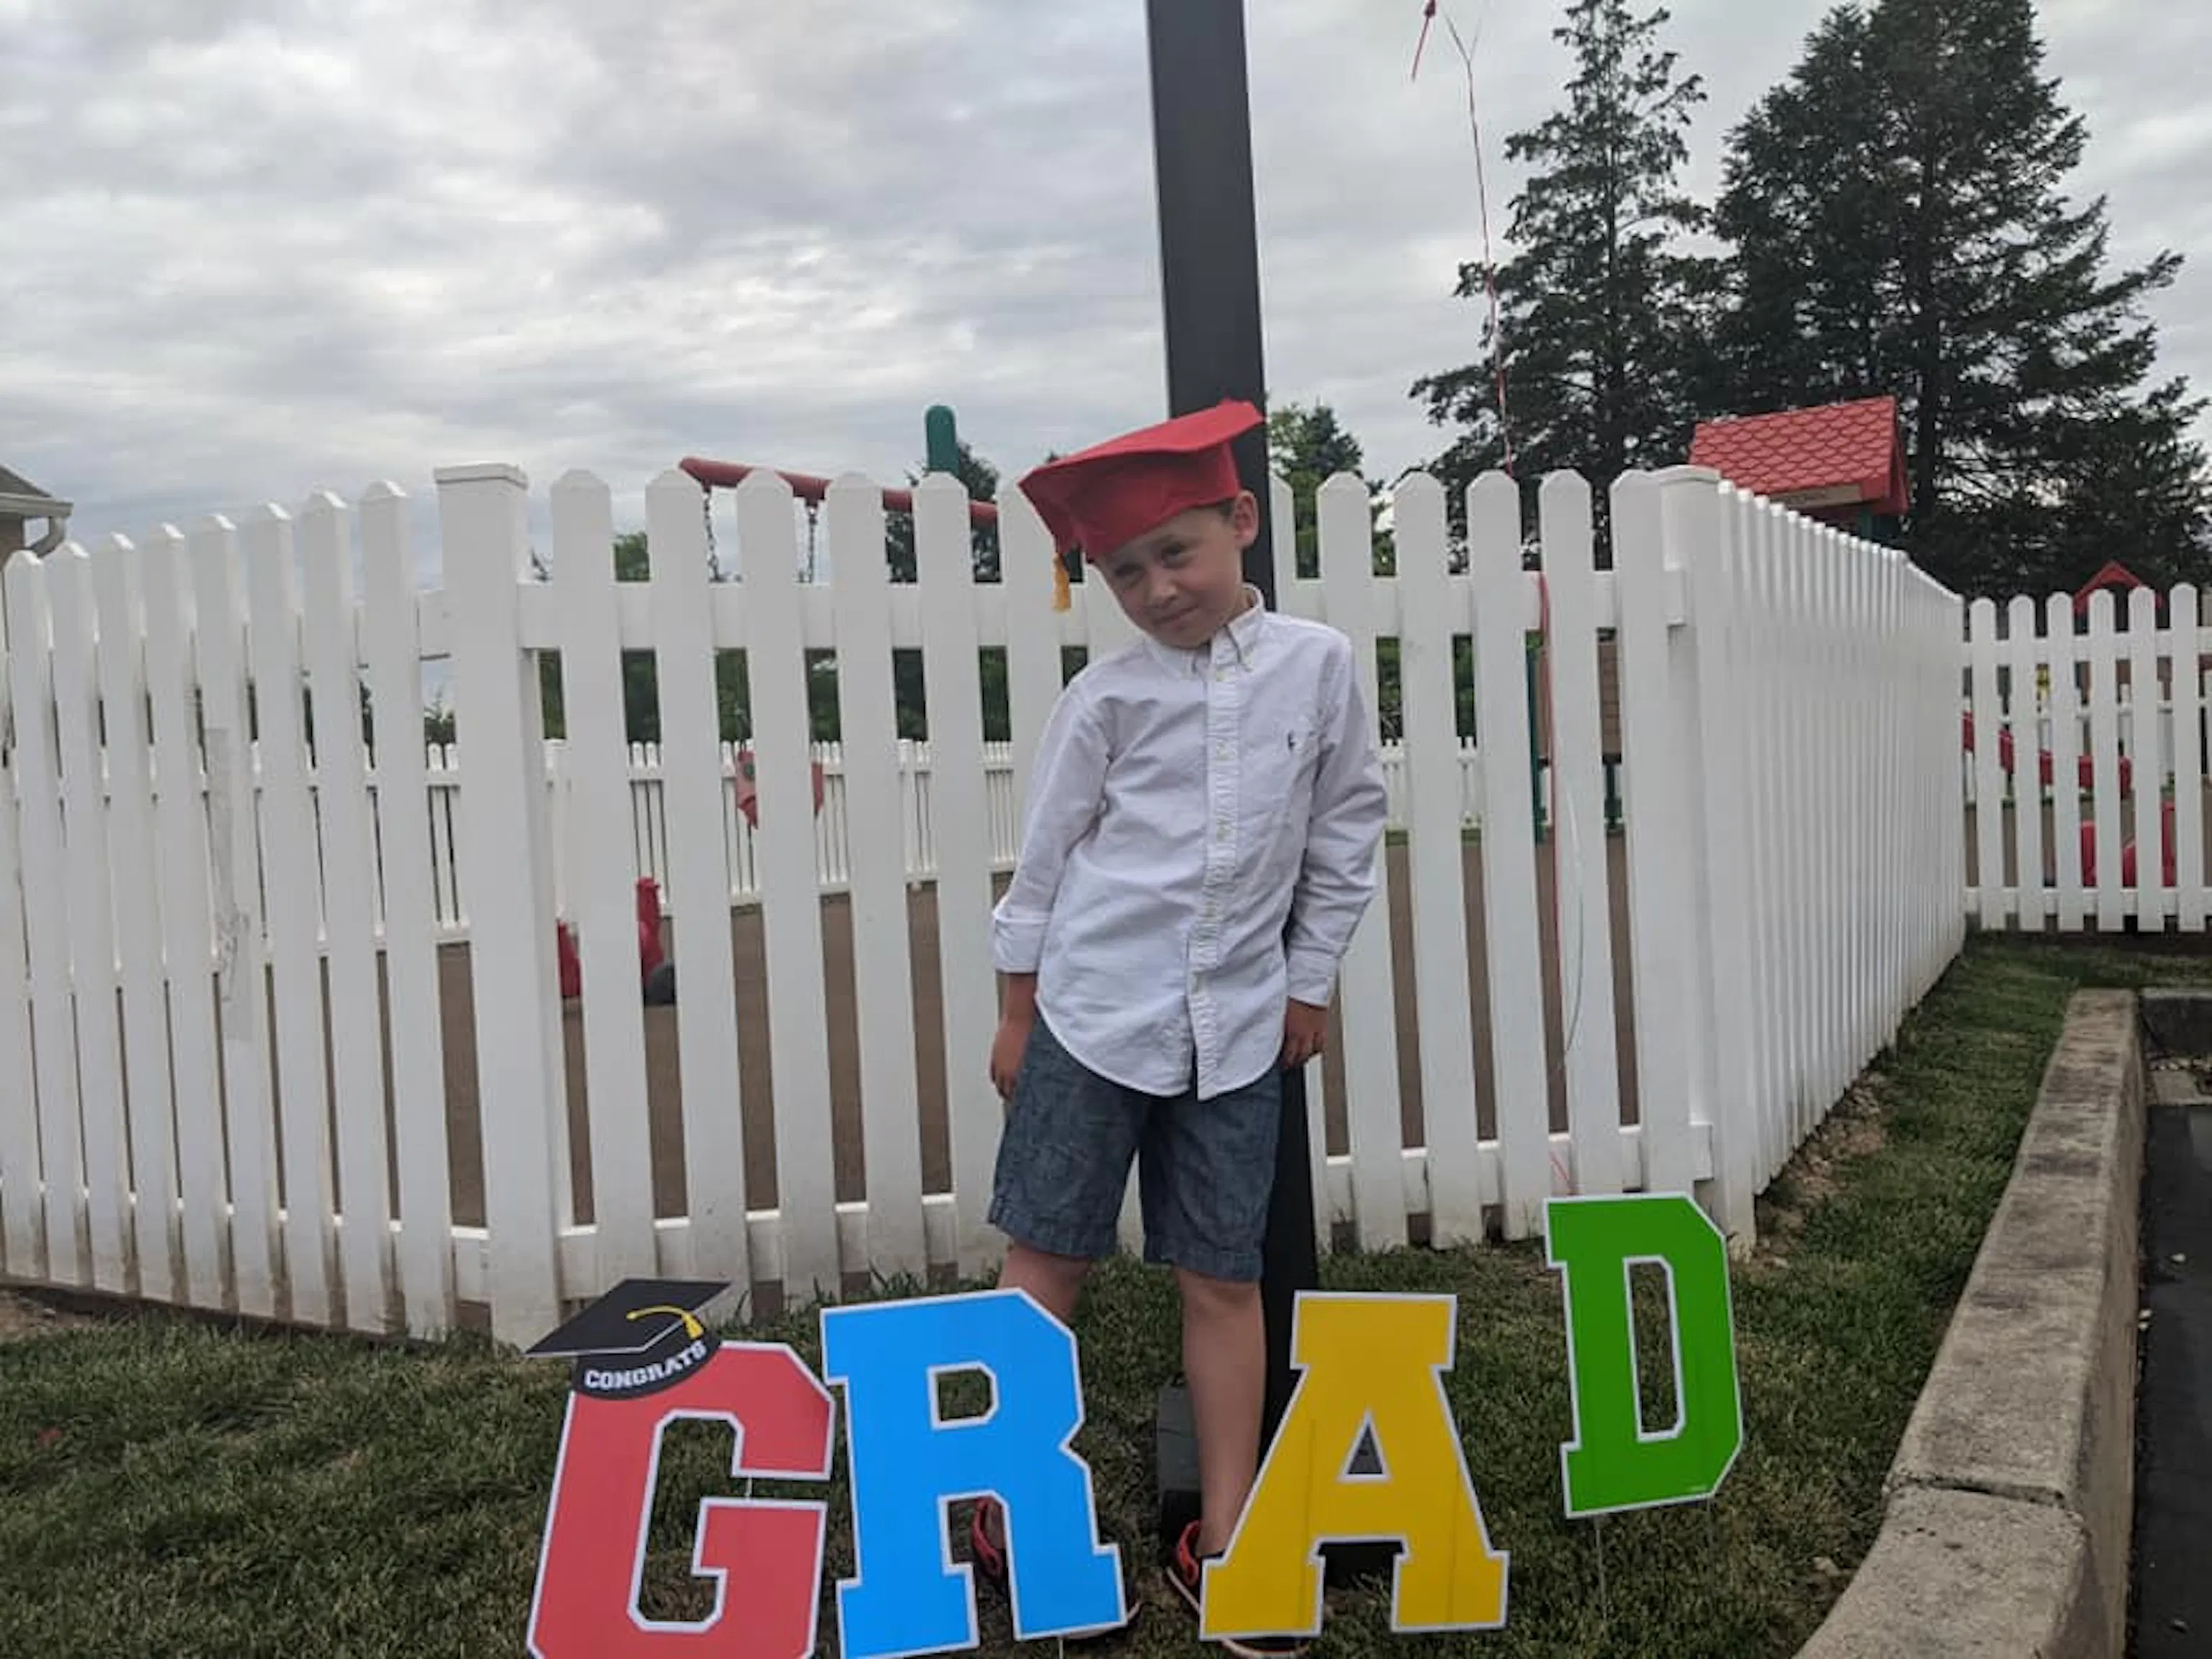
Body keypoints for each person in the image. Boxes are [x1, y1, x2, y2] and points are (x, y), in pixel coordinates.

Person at [966, 399, 1388, 1653]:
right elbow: (1047, 859)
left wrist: (1308, 982)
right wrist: (1017, 1008)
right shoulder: (1104, 699)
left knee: (1224, 1275)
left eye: (1176, 553)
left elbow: (1345, 829)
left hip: (1239, 1031)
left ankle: (1233, 1535)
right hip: (1091, 1017)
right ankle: (1011, 1508)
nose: (1155, 589)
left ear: (1240, 519)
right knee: (1048, 1258)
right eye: (1123, 572)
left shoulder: (1320, 666)